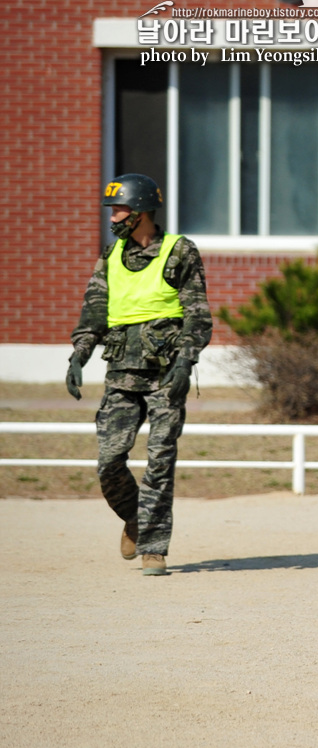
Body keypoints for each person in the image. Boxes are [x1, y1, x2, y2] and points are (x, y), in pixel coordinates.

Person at [67, 174, 211, 575]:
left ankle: (154, 547)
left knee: (159, 462)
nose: (113, 217)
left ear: (143, 211)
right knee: (109, 461)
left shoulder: (179, 252)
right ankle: (136, 518)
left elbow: (197, 315)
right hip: (121, 375)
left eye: (120, 209)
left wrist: (186, 363)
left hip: (167, 373)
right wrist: (79, 354)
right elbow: (94, 309)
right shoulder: (110, 255)